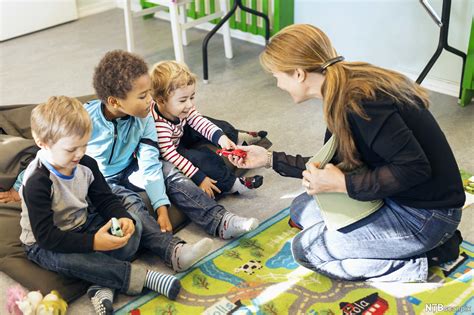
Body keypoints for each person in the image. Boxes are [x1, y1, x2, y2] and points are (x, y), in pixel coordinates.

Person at [229, 24, 465, 282]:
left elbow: (414, 169)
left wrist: (343, 183)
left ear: (298, 74)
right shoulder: (340, 87)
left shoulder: (362, 100)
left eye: (276, 76)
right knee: (300, 209)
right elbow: (332, 162)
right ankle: (385, 243)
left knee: (307, 250)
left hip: (427, 216)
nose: (277, 84)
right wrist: (269, 159)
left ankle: (423, 259)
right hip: (394, 195)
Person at [85, 50, 259, 267]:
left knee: (168, 169)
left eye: (149, 93)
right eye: (142, 96)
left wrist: (161, 207)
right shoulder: (86, 120)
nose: (150, 101)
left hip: (131, 169)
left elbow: (150, 163)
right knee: (132, 208)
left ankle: (220, 221)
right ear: (115, 102)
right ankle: (174, 251)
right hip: (100, 183)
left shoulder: (146, 118)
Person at [19, 96, 181, 315]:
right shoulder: (37, 181)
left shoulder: (86, 163)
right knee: (75, 260)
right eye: (71, 149)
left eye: (84, 145)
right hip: (45, 243)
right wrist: (94, 242)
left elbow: (105, 199)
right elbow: (46, 236)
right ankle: (143, 278)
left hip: (83, 223)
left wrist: (122, 217)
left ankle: (101, 285)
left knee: (134, 227)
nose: (80, 153)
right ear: (43, 143)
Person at [150, 60, 265, 199]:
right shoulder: (158, 126)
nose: (190, 104)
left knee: (212, 124)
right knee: (201, 158)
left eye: (191, 97)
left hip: (180, 132)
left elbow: (199, 121)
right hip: (172, 149)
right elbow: (171, 156)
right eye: (182, 100)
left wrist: (221, 137)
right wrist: (199, 177)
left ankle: (238, 138)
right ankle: (234, 184)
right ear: (161, 101)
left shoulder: (182, 108)